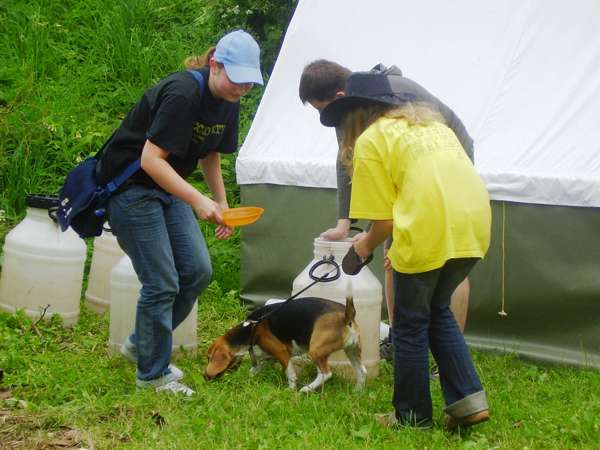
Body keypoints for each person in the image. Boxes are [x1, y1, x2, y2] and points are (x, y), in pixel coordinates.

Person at [320, 70, 491, 429]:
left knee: (410, 324)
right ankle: (469, 400)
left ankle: (411, 417)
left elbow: (382, 222)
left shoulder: (371, 141)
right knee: (436, 309)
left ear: (355, 114)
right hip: (473, 226)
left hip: (429, 229)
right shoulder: (434, 128)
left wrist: (362, 248)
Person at [97, 30, 263, 395]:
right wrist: (197, 201)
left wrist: (220, 203)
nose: (241, 89)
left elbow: (211, 154)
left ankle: (141, 344)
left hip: (166, 189)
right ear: (215, 64)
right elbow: (150, 160)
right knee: (162, 281)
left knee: (197, 272)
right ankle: (152, 375)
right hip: (132, 190)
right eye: (237, 80)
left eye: (249, 84)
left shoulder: (229, 100)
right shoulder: (183, 94)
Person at [298, 60, 472, 361]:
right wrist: (345, 222)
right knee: (395, 255)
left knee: (447, 256)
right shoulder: (352, 107)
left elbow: (438, 147)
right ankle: (400, 340)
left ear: (339, 96)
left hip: (446, 166)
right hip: (412, 172)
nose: (322, 117)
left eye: (319, 109)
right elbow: (346, 159)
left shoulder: (394, 97)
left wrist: (368, 240)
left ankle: (442, 352)